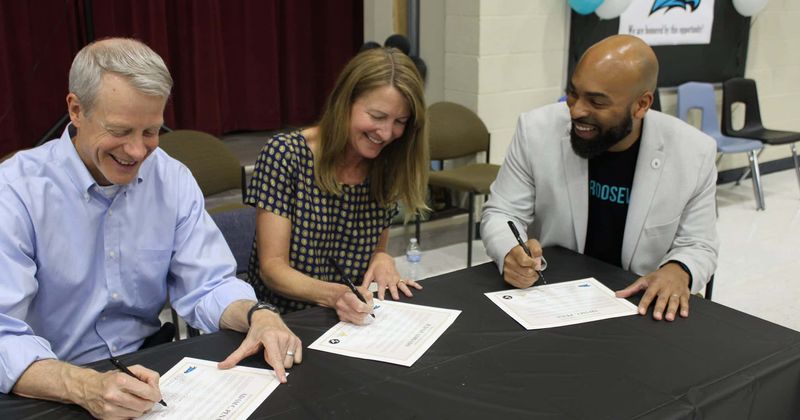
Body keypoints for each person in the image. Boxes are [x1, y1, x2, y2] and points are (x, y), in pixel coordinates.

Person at [0, 38, 301, 418]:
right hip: (48, 382)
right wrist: (82, 384)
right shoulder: (14, 192)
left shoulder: (170, 179)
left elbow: (208, 284)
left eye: (151, 132)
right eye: (121, 131)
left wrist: (259, 314)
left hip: (147, 372)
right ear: (76, 110)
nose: (138, 152)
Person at [481, 35, 719, 322]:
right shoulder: (535, 130)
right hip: (555, 296)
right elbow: (502, 212)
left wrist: (678, 269)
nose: (577, 110)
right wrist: (510, 252)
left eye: (596, 101)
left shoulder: (693, 153)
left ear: (641, 105)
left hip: (637, 303)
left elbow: (699, 243)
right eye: (573, 93)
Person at [245, 47, 428, 324]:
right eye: (377, 117)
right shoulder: (286, 154)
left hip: (350, 319)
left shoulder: (386, 164)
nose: (387, 133)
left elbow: (376, 248)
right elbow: (272, 269)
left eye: (400, 122)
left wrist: (382, 258)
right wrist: (336, 295)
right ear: (345, 101)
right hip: (283, 321)